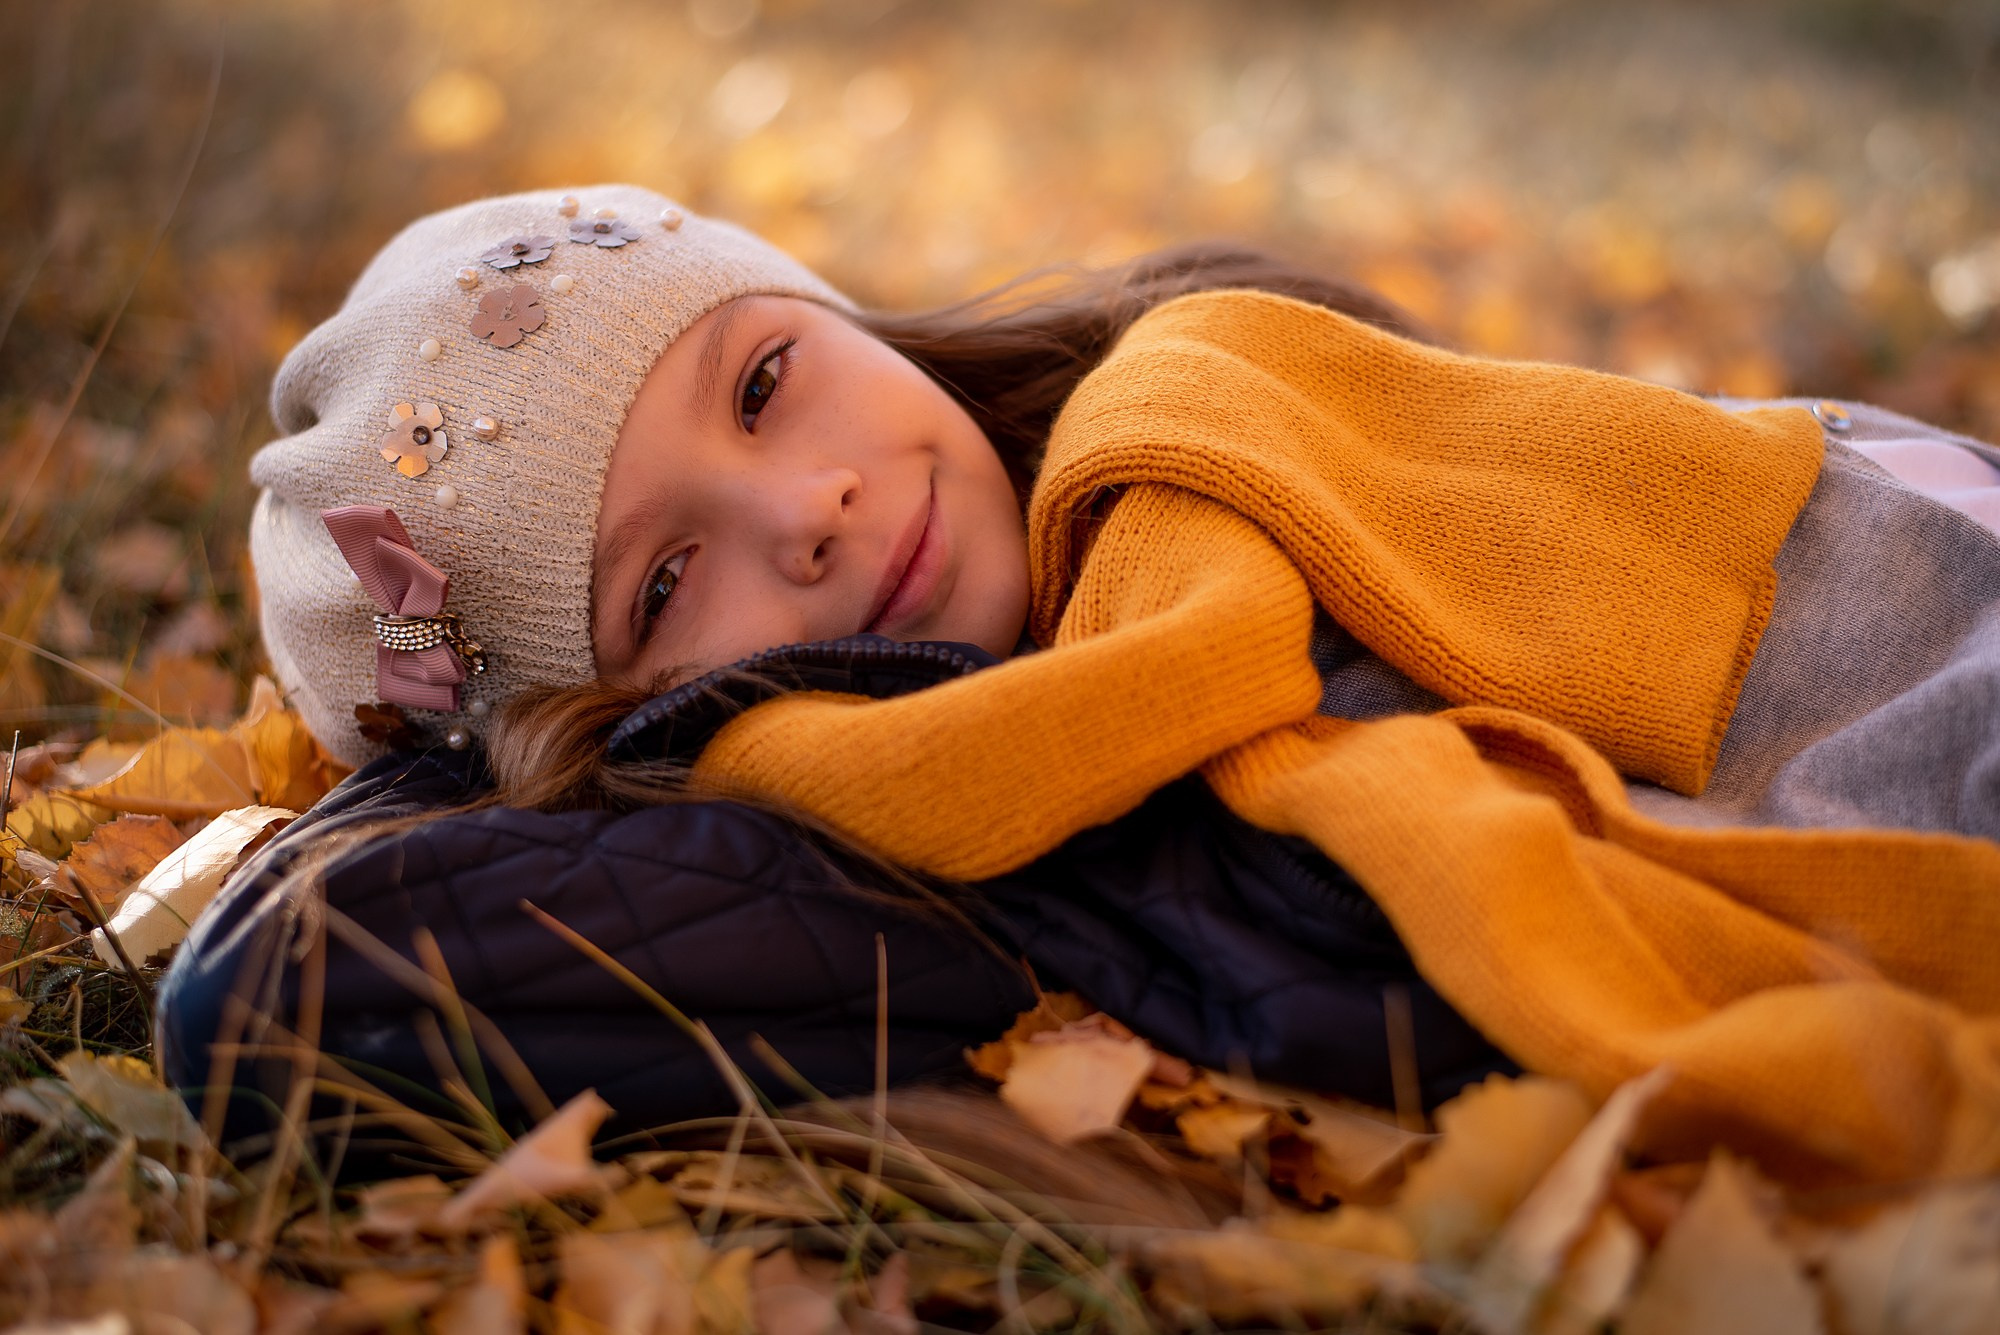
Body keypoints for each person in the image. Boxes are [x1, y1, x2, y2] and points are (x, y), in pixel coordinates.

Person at [159, 185, 2000, 1188]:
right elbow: (303, 987)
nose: (809, 514)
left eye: (766, 383)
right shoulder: (944, 821)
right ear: (624, 734)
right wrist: (452, 722)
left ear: (843, 313)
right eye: (659, 578)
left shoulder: (1206, 402)